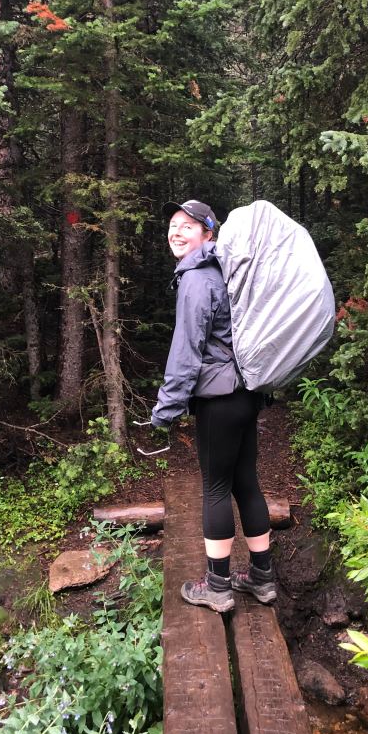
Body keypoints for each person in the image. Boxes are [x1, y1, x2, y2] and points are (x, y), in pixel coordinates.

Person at [150, 198, 276, 613]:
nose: (177, 231)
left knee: (216, 488)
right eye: (173, 225)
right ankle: (262, 577)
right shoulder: (226, 272)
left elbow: (187, 350)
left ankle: (217, 587)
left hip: (219, 399)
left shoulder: (197, 279)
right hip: (247, 393)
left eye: (188, 226)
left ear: (208, 234)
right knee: (246, 482)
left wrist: (167, 406)